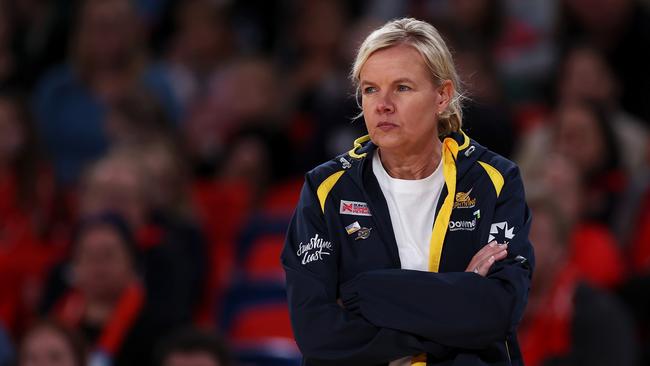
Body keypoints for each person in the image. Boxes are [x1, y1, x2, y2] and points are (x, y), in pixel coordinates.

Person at [281, 18, 534, 365]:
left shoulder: (494, 179)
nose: (382, 104)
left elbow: (498, 311)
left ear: (442, 96)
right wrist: (459, 302)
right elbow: (316, 333)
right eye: (370, 89)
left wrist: (364, 293)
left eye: (401, 87)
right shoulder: (326, 189)